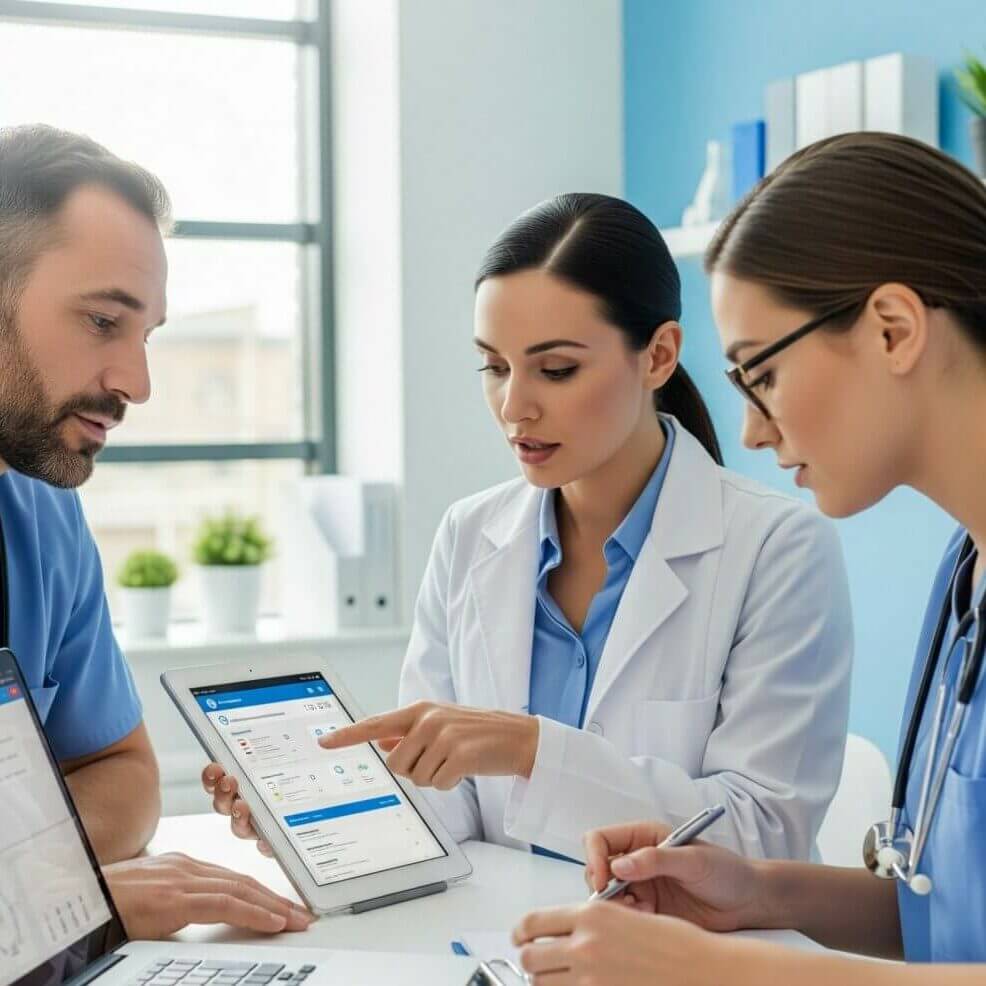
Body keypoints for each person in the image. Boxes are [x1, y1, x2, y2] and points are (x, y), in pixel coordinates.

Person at [208, 193, 852, 863]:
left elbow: (764, 834)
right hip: (502, 942)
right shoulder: (469, 534)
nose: (514, 406)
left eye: (557, 370)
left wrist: (530, 750)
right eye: (494, 366)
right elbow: (446, 801)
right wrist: (309, 810)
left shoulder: (777, 548)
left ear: (658, 356)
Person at [511, 133, 986, 982]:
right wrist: (756, 892)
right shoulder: (965, 577)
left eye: (758, 376)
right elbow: (941, 912)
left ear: (892, 328)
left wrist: (716, 972)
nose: (752, 432)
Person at [0, 123, 313, 937]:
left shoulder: (42, 511)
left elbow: (125, 777)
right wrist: (55, 902)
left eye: (146, 336)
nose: (135, 383)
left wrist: (38, 886)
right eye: (104, 322)